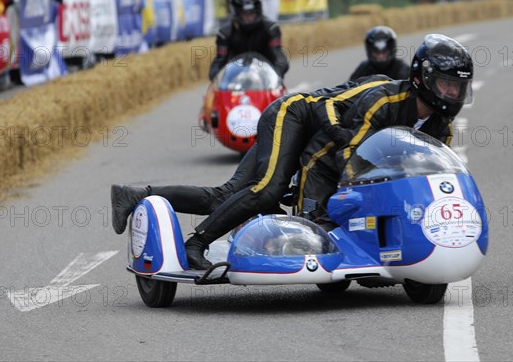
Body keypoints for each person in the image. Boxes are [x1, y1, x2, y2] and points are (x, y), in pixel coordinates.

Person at [111, 75, 392, 269]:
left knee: (226, 197)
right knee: (266, 190)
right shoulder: (384, 91)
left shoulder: (424, 118)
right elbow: (323, 107)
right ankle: (195, 245)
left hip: (307, 139)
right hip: (292, 117)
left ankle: (135, 195)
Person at [297, 34, 474, 221]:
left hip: (377, 179)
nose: (453, 92)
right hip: (326, 168)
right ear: (424, 78)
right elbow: (350, 153)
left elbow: (432, 174)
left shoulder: (443, 128)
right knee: (319, 229)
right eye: (446, 83)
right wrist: (370, 196)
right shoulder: (383, 102)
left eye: (458, 86)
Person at [208, 0, 289, 80]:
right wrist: (215, 77)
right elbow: (219, 60)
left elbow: (279, 56)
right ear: (237, 13)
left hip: (266, 80)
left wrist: (276, 75)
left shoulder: (271, 28)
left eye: (252, 13)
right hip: (236, 80)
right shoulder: (224, 33)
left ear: (258, 11)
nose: (249, 18)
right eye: (245, 14)